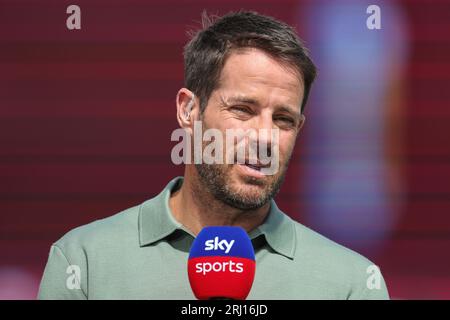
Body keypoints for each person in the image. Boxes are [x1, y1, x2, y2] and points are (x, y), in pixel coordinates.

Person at [38, 10, 389, 299]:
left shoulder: (353, 285)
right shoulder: (82, 263)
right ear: (189, 111)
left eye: (283, 119)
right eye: (243, 109)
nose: (265, 137)